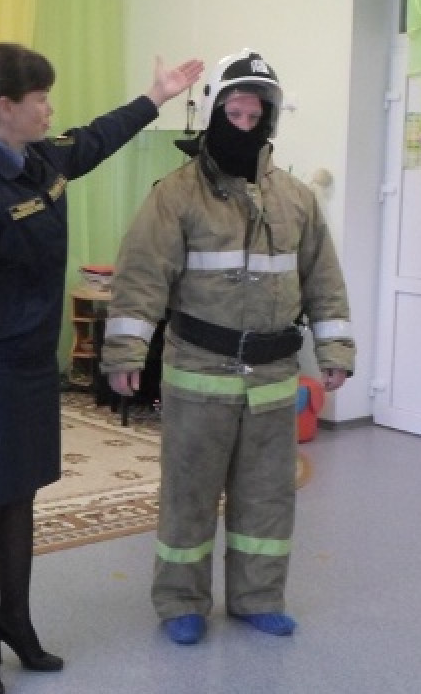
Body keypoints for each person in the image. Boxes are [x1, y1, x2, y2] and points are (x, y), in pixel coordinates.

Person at [0, 42, 202, 694]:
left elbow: (97, 137)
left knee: (21, 495)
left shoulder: (40, 158)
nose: (50, 108)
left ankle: (14, 620)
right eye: (40, 99)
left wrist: (156, 97)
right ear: (5, 107)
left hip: (31, 368)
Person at [101, 49, 355, 646]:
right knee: (188, 496)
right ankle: (181, 602)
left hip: (271, 381)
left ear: (269, 119)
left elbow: (323, 279)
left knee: (267, 498)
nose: (243, 126)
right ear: (215, 113)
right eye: (233, 114)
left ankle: (258, 597)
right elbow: (142, 276)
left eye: (253, 116)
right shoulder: (176, 195)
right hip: (199, 375)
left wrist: (335, 349)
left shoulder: (296, 199)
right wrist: (126, 354)